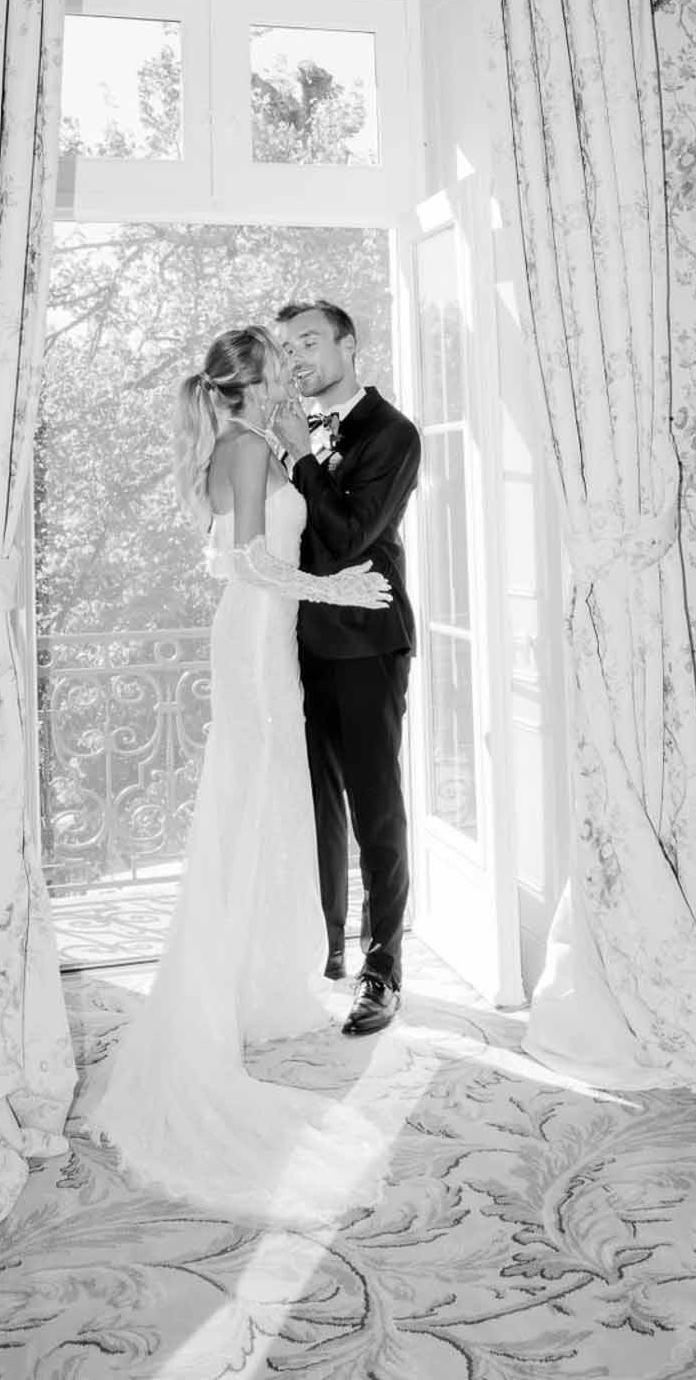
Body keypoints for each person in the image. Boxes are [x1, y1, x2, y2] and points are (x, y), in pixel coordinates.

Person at [83, 324, 394, 1225]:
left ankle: (261, 981)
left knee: (267, 805)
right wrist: (338, 589)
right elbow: (250, 562)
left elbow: (238, 555)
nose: (293, 372)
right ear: (253, 381)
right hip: (256, 641)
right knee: (252, 803)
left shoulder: (246, 442)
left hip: (263, 639)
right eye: (281, 364)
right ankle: (223, 992)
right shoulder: (248, 447)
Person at [271, 300, 422, 1037]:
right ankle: (324, 949)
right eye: (285, 348)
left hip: (367, 643)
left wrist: (302, 456)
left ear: (348, 344)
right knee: (314, 809)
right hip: (294, 643)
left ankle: (382, 968)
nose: (295, 358)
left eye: (308, 342)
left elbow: (350, 538)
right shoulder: (286, 431)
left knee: (374, 810)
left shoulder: (392, 433)